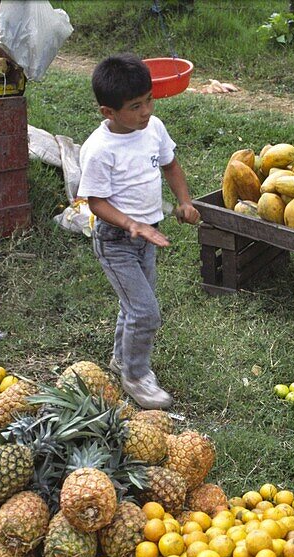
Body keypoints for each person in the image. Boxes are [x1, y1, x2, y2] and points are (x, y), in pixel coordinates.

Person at [77, 53, 201, 409]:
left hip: (148, 237)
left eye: (149, 100)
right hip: (117, 241)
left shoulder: (153, 129)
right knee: (145, 311)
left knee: (132, 306)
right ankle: (135, 375)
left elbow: (171, 164)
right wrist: (131, 224)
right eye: (136, 106)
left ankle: (121, 360)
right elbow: (96, 201)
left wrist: (184, 201)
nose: (146, 111)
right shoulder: (99, 150)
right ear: (108, 112)